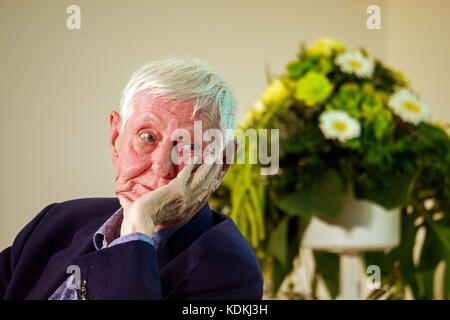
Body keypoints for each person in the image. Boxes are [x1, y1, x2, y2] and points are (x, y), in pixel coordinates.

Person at [0, 59, 263, 300]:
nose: (162, 167)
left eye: (187, 147)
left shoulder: (230, 270)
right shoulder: (57, 221)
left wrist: (138, 228)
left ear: (222, 164)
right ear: (116, 138)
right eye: (148, 137)